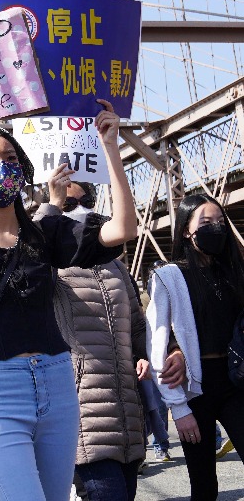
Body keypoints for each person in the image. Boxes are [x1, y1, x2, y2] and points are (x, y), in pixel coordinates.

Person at [0, 100, 137, 501]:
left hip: (57, 379)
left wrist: (111, 148)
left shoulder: (44, 232)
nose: (2, 166)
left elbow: (123, 229)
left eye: (11, 157)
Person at [35, 180, 149, 500]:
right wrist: (51, 209)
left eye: (88, 200)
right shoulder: (50, 266)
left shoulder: (114, 264)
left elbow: (137, 325)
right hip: (82, 413)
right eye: (69, 205)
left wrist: (158, 354)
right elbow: (25, 255)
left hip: (126, 411)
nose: (81, 209)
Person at [146, 193, 244, 500]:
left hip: (235, 381)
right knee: (204, 484)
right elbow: (156, 341)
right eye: (205, 222)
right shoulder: (169, 276)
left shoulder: (234, 272)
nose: (215, 228)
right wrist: (178, 406)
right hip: (194, 388)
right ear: (186, 230)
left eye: (220, 222)